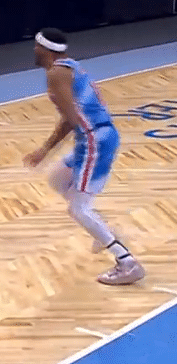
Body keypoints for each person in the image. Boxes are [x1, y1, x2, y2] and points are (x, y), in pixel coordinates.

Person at [24, 27, 145, 286]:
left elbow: (70, 119)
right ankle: (103, 229)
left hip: (94, 140)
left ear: (46, 50)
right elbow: (73, 115)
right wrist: (45, 150)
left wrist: (45, 149)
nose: (33, 50)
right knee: (58, 178)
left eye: (36, 46)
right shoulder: (69, 66)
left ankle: (127, 262)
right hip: (92, 137)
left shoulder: (56, 73)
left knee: (78, 209)